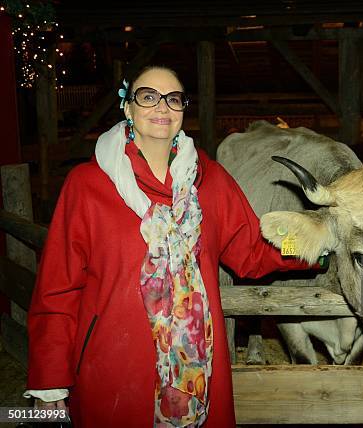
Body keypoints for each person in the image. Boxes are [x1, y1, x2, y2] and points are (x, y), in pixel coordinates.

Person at [26, 65, 310, 427]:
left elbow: (254, 251)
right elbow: (57, 288)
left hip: (199, 373)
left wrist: (307, 244)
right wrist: (50, 381)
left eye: (173, 99)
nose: (162, 107)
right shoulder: (87, 186)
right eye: (148, 97)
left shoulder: (211, 183)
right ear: (127, 108)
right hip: (112, 371)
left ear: (182, 111)